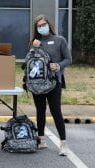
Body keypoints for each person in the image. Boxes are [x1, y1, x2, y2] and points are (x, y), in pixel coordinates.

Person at [30, 14, 72, 156]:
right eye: (39, 26)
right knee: (40, 111)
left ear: (49, 25)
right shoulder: (35, 42)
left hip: (55, 82)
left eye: (44, 24)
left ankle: (63, 143)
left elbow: (68, 59)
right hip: (38, 83)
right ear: (36, 28)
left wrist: (58, 66)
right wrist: (34, 48)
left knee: (56, 111)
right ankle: (41, 140)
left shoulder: (60, 40)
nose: (42, 27)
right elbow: (32, 62)